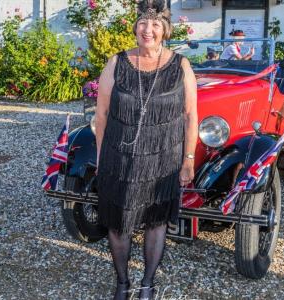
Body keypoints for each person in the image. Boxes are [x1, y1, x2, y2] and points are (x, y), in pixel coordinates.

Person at [94, 0, 198, 299]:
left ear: (164, 30)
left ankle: (148, 283)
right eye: (142, 23)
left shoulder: (181, 66)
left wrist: (188, 159)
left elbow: (191, 115)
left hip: (163, 158)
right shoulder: (117, 63)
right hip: (119, 158)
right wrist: (102, 158)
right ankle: (122, 282)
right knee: (118, 222)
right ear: (135, 28)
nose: (147, 30)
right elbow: (101, 116)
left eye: (154, 24)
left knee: (156, 221)